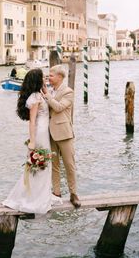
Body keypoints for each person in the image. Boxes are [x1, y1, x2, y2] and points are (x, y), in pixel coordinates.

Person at [2, 68, 62, 214]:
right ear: (37, 80)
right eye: (42, 77)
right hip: (40, 133)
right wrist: (32, 142)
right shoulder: (35, 97)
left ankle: (42, 195)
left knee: (43, 166)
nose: (44, 79)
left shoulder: (40, 94)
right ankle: (34, 198)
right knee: (41, 165)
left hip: (44, 131)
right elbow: (32, 122)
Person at [41, 65, 81, 208]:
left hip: (64, 133)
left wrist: (47, 95)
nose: (48, 78)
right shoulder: (49, 90)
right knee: (54, 164)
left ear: (59, 77)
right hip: (50, 133)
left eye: (50, 76)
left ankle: (73, 193)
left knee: (70, 165)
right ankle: (56, 193)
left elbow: (58, 108)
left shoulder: (68, 92)